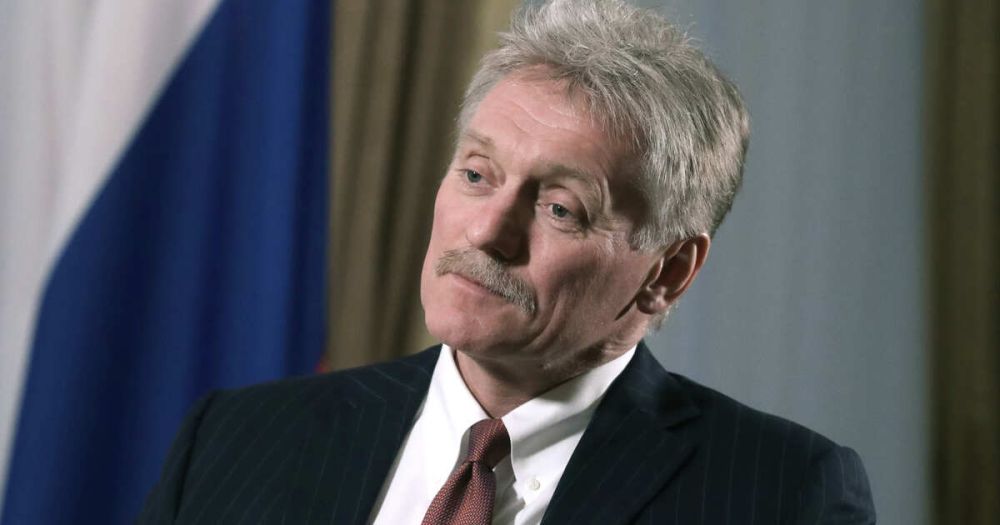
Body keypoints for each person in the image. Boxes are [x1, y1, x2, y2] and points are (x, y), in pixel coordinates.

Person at [139, 0, 876, 523]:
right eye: (476, 174)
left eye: (559, 208)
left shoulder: (781, 494)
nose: (488, 231)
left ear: (668, 271)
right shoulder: (238, 439)